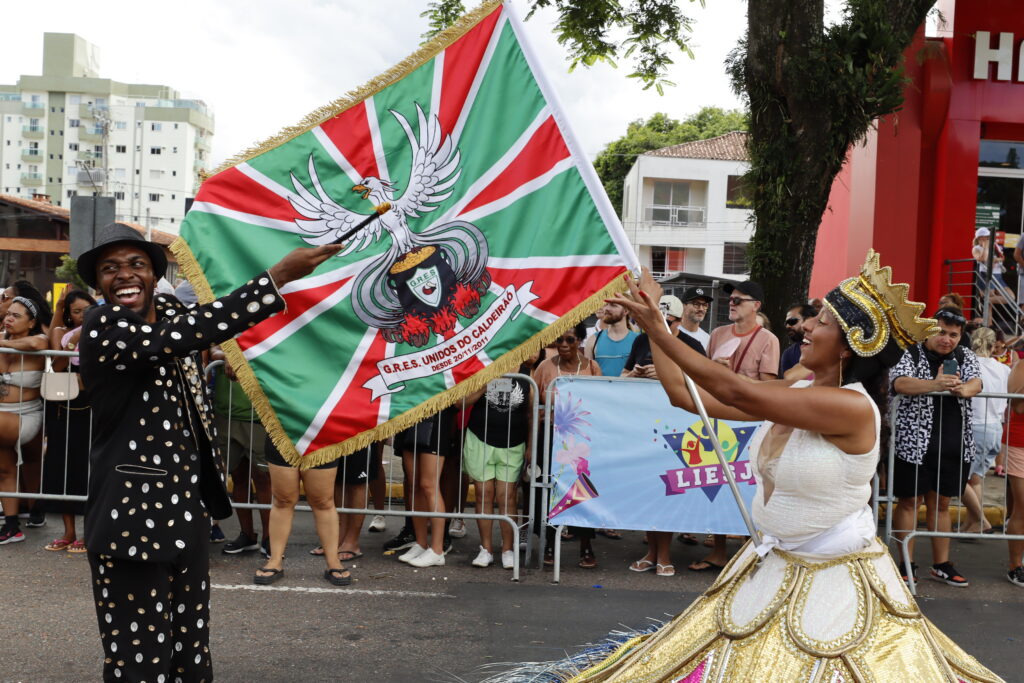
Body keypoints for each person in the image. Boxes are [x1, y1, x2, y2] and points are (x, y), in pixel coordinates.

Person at [495, 251, 1002, 681]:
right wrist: (659, 326)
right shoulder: (800, 387)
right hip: (775, 565)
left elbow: (737, 390)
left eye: (822, 322)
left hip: (835, 582)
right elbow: (686, 396)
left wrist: (659, 330)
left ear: (852, 345)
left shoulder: (850, 407)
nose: (806, 327)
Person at [77, 221, 340, 682]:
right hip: (130, 518)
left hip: (188, 512)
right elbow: (179, 337)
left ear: (155, 275)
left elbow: (200, 331)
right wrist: (275, 277)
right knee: (140, 657)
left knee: (192, 652)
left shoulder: (173, 315)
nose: (125, 274)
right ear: (98, 284)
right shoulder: (104, 326)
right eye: (110, 268)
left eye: (137, 264)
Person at [890, 307, 982, 587]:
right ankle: (906, 564)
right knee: (909, 501)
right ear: (929, 330)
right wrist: (935, 384)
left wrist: (967, 388)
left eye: (953, 334)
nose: (947, 339)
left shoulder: (965, 355)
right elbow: (899, 383)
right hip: (913, 443)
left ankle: (941, 564)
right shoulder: (910, 351)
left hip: (954, 441)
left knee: (942, 503)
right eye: (941, 332)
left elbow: (977, 381)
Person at [696, 281, 779, 572]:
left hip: (750, 421)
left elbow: (768, 386)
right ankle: (718, 550)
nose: (731, 304)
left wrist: (730, 377)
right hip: (718, 417)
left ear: (756, 306)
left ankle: (750, 550)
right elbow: (704, 374)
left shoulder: (768, 339)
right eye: (730, 299)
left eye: (738, 300)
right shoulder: (718, 334)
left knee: (749, 485)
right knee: (720, 483)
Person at [533, 323, 602, 568]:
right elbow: (533, 408)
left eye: (570, 340)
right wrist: (531, 447)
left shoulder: (592, 367)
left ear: (580, 341)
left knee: (581, 490)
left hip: (581, 440)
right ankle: (549, 542)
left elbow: (601, 404)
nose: (563, 345)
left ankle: (586, 544)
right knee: (548, 489)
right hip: (549, 437)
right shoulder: (545, 367)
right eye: (559, 340)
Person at [39, 288, 97, 553]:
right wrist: (73, 342)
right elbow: (57, 366)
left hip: (94, 409)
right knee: (62, 467)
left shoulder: (104, 333)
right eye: (77, 312)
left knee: (88, 469)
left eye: (87, 310)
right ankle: (68, 532)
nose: (83, 316)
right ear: (68, 314)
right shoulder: (62, 333)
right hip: (65, 408)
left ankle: (88, 533)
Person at [256, 436, 350, 585]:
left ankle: (333, 562)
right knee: (283, 500)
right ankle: (275, 560)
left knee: (323, 502)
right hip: (283, 433)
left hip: (321, 434)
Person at [463, 367, 532, 569]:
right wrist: (486, 383)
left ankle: (507, 550)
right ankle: (486, 549)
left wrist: (530, 445)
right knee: (483, 494)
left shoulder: (527, 372)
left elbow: (531, 414)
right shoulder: (484, 365)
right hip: (480, 440)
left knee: (507, 497)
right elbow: (461, 402)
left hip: (513, 444)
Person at [0, 291, 49, 544]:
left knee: (28, 463)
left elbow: (37, 345)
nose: (8, 318)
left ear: (31, 322)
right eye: (8, 314)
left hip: (26, 416)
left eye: (16, 316)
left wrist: (5, 344)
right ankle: (11, 527)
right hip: (1, 416)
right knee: (4, 469)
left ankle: (33, 508)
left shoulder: (39, 339)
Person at [393, 408, 458, 568]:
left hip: (436, 419)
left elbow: (461, 400)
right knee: (414, 485)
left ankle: (437, 550)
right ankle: (421, 543)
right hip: (409, 416)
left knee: (429, 485)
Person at [961, 327, 1009, 536]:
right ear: (993, 345)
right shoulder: (1003, 369)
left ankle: (980, 520)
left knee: (957, 477)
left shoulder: (968, 365)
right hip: (995, 428)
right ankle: (972, 523)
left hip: (976, 426)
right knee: (975, 478)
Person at [584, 301, 637, 379]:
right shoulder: (593, 340)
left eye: (613, 305)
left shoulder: (638, 340)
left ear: (625, 311)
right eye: (605, 305)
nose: (606, 308)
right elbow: (587, 376)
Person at [779, 303, 816, 377]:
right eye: (786, 323)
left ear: (809, 320)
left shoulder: (828, 346)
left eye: (792, 321)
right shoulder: (788, 354)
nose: (788, 326)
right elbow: (787, 381)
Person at [677, 286, 712, 351]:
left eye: (704, 305)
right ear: (683, 305)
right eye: (696, 304)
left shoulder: (707, 339)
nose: (701, 309)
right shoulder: (671, 332)